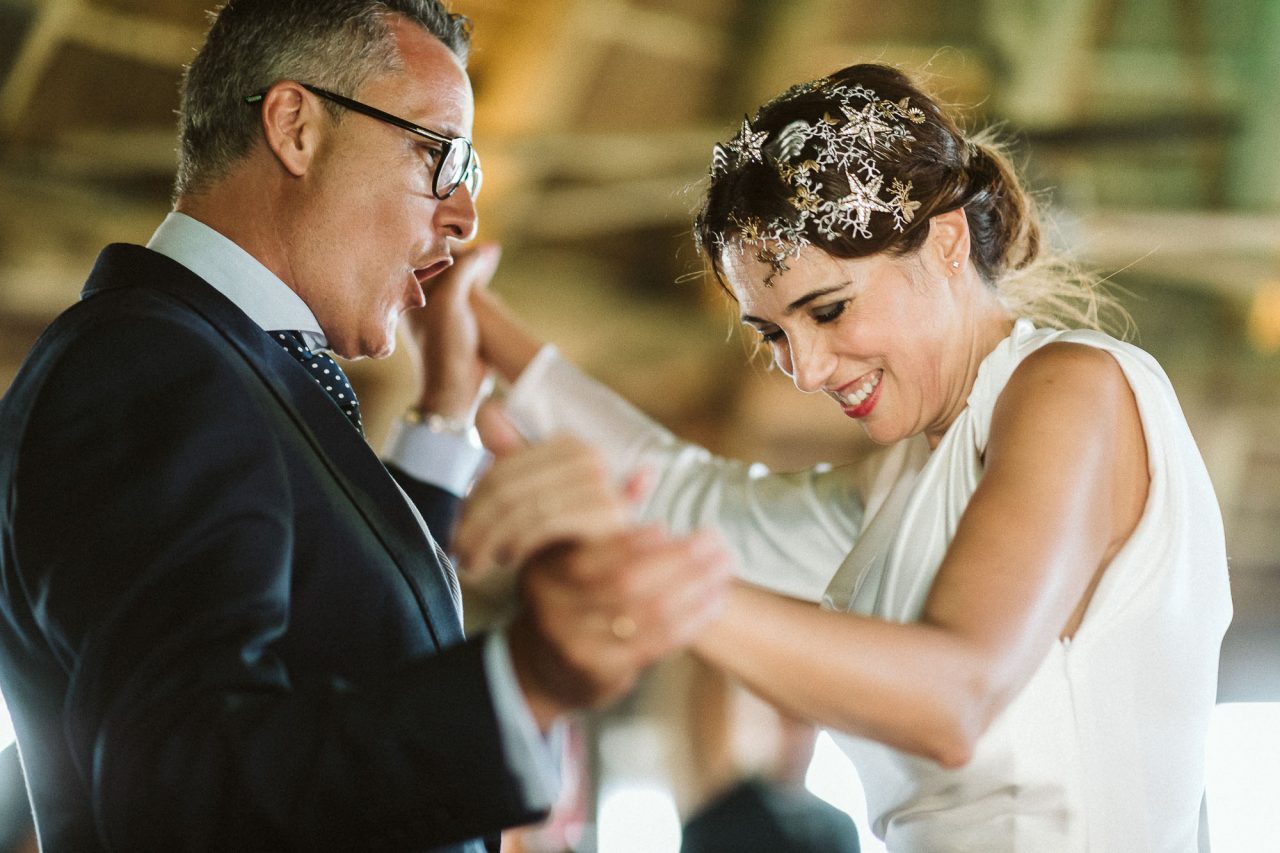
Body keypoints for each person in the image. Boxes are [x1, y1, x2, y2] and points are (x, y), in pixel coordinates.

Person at [433, 64, 1233, 851]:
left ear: (948, 242)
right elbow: (688, 497)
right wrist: (469, 313)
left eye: (830, 309)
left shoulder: (1071, 386)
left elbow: (955, 698)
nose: (805, 371)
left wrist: (657, 583)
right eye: (775, 334)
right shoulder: (902, 478)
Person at [0, 1, 731, 850]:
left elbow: (344, 634)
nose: (463, 216)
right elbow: (182, 787)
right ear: (296, 127)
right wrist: (523, 676)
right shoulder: (150, 368)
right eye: (439, 155)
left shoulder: (217, 366)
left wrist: (447, 409)